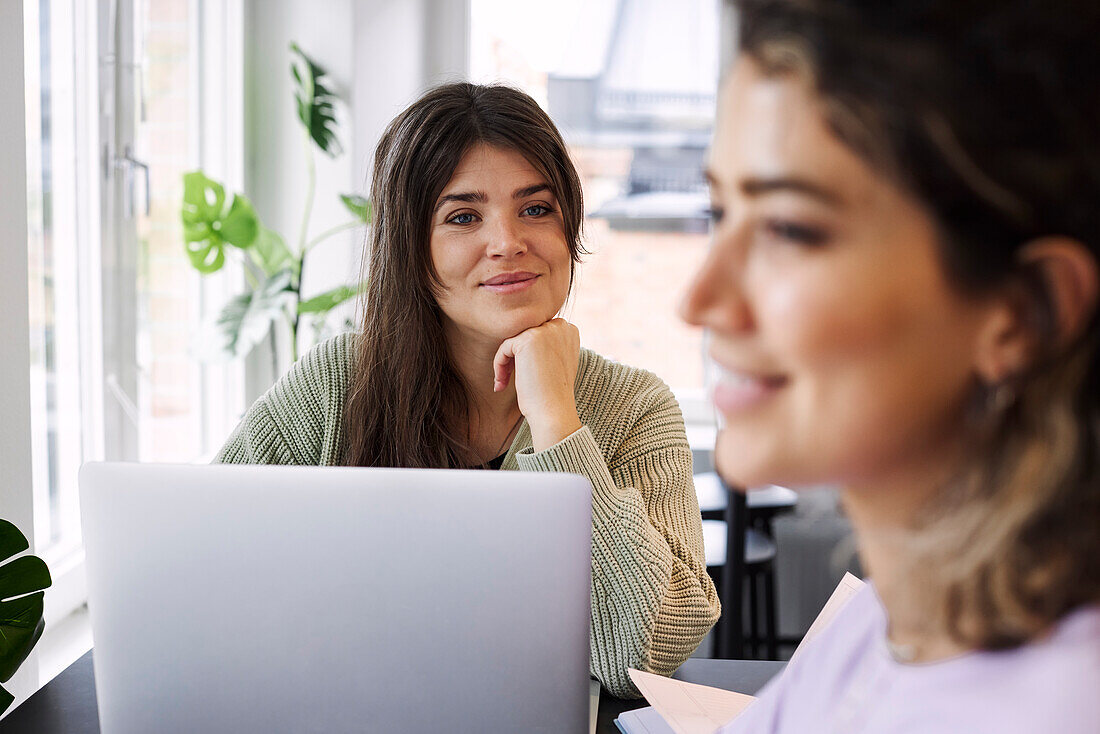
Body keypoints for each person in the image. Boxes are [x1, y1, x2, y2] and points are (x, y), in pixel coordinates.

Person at [215, 82, 719, 698]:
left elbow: (645, 658)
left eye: (536, 208)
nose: (508, 242)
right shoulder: (336, 383)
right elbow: (210, 569)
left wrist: (559, 424)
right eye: (463, 217)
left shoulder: (637, 408)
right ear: (410, 248)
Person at [681, 0, 1100, 731]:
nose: (701, 299)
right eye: (719, 212)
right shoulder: (880, 621)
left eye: (789, 227)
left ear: (1022, 311)